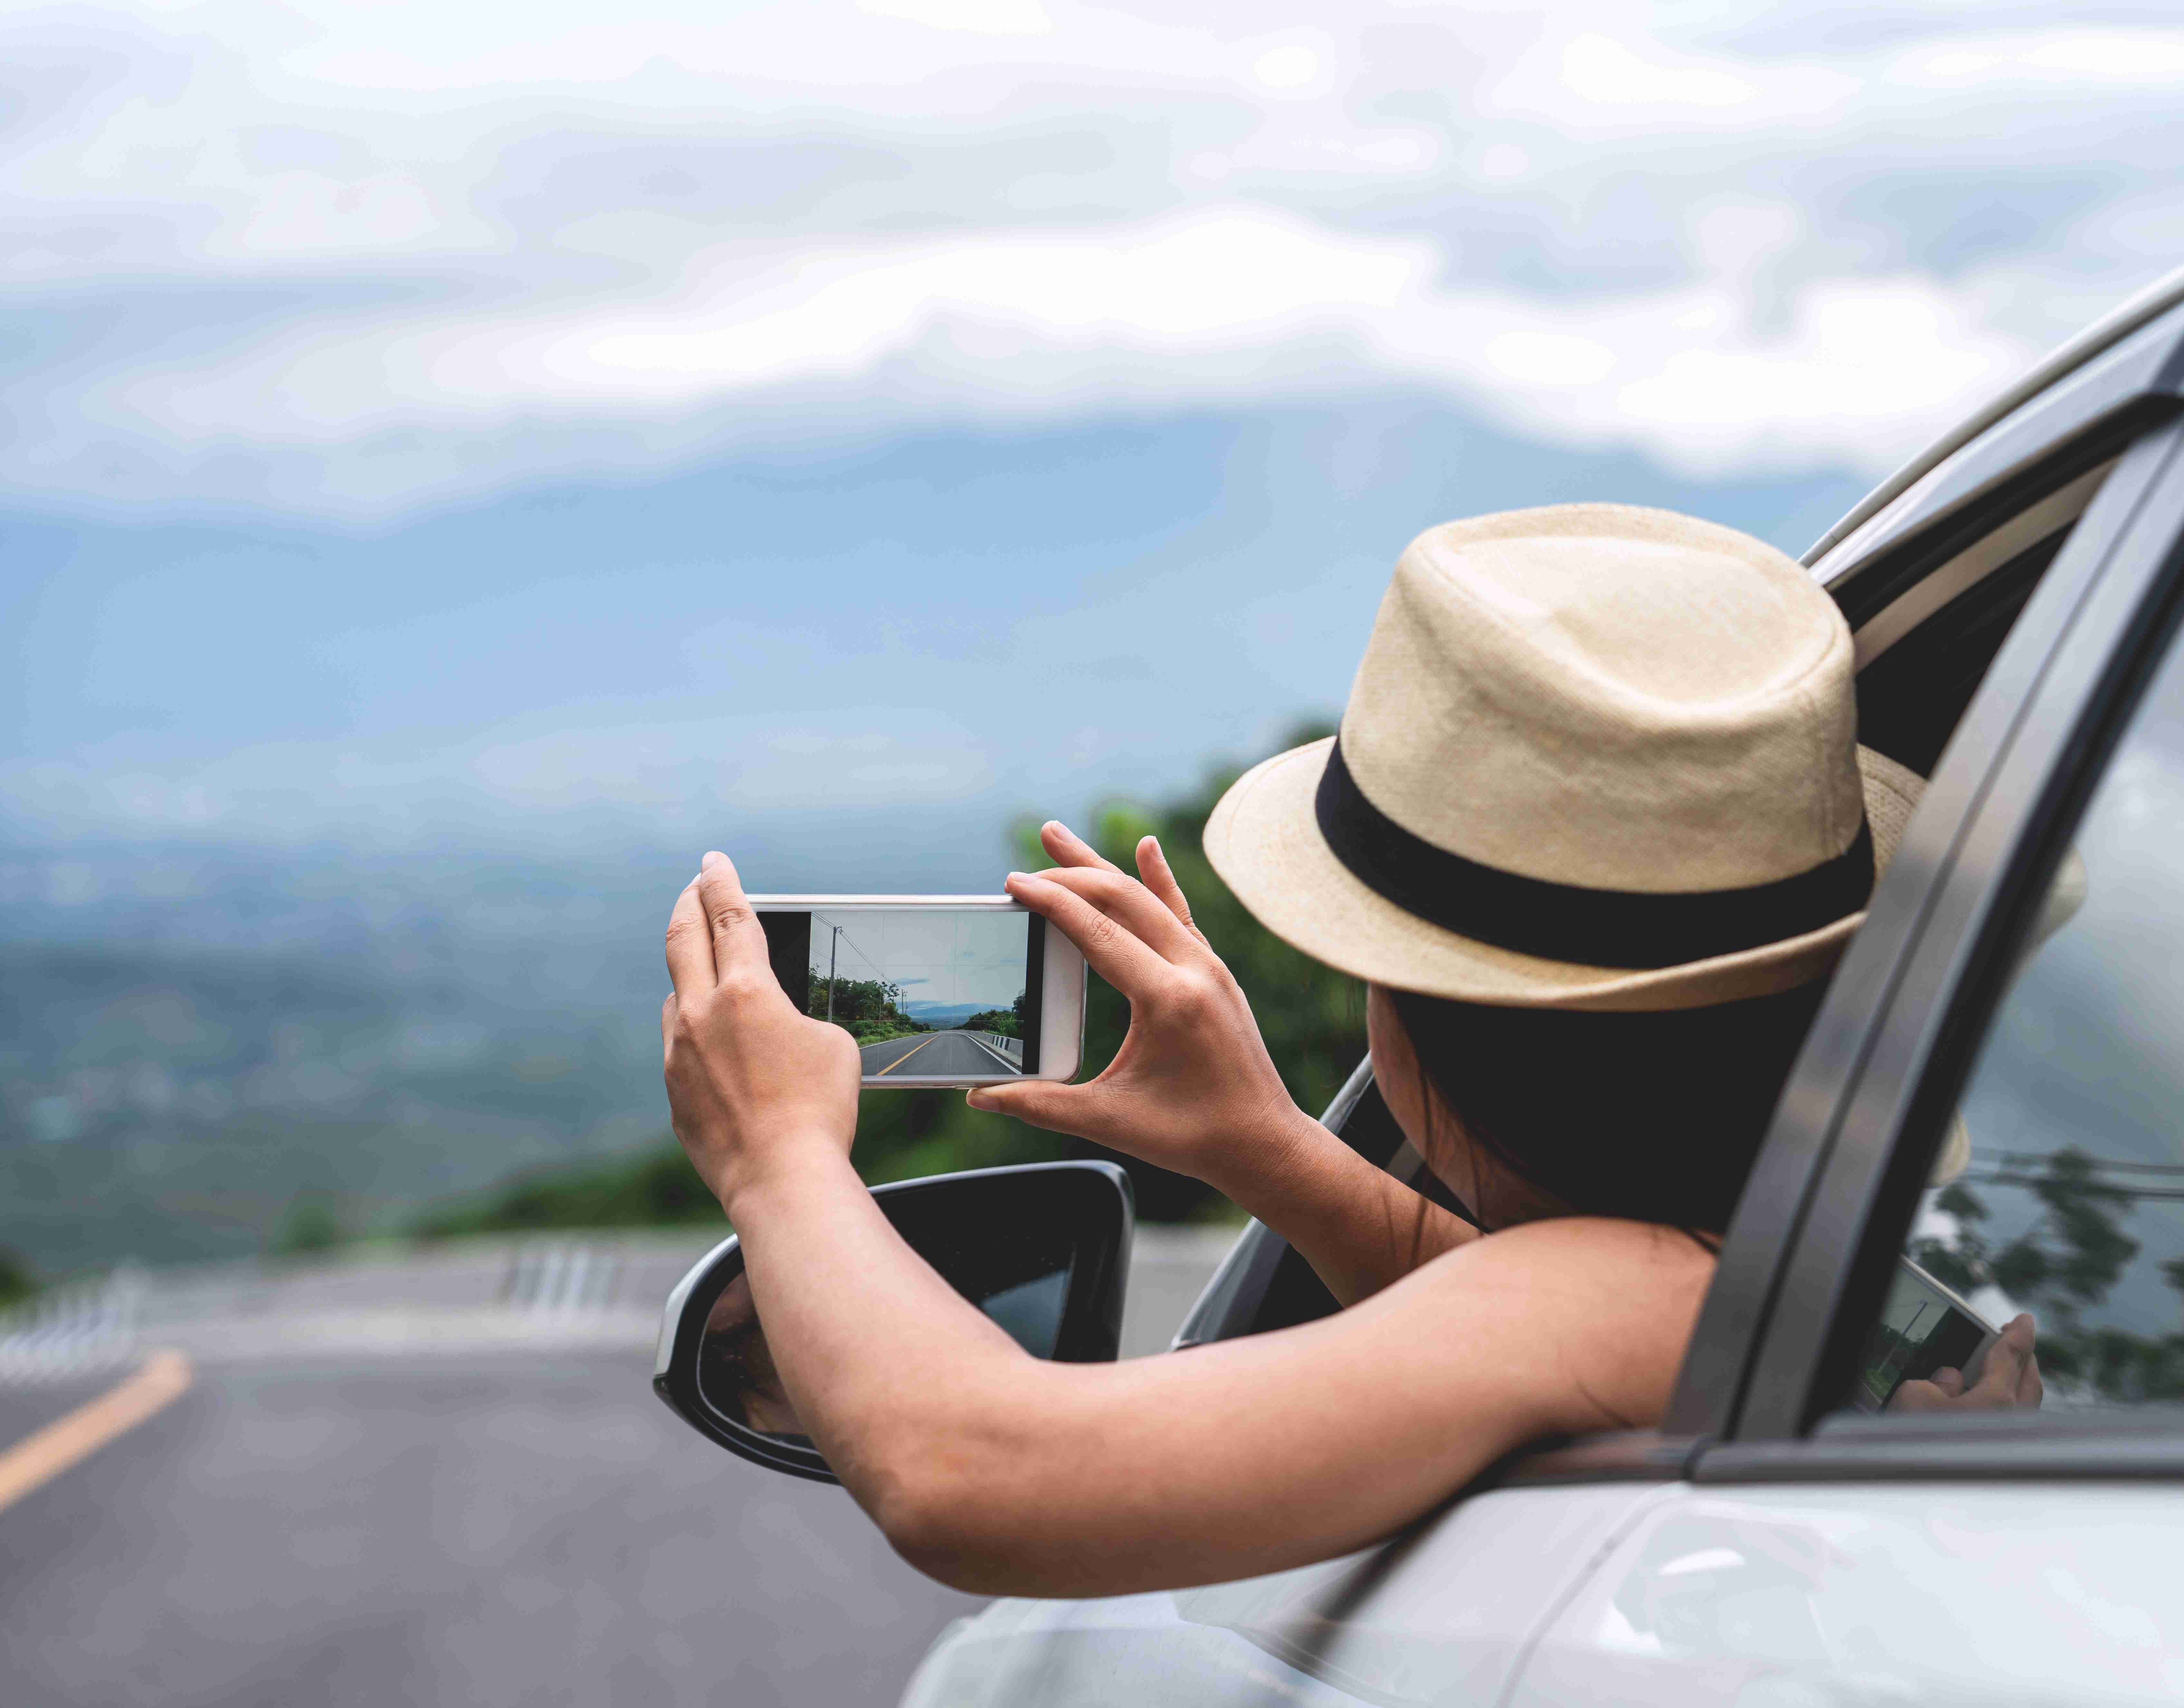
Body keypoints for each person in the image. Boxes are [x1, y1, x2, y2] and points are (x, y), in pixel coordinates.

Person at [659, 503, 2040, 1598]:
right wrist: (1260, 1146)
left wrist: (777, 1159)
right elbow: (1520, 1334)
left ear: (1416, 1018)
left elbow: (973, 1481)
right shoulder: (1744, 1278)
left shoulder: (1621, 1293)